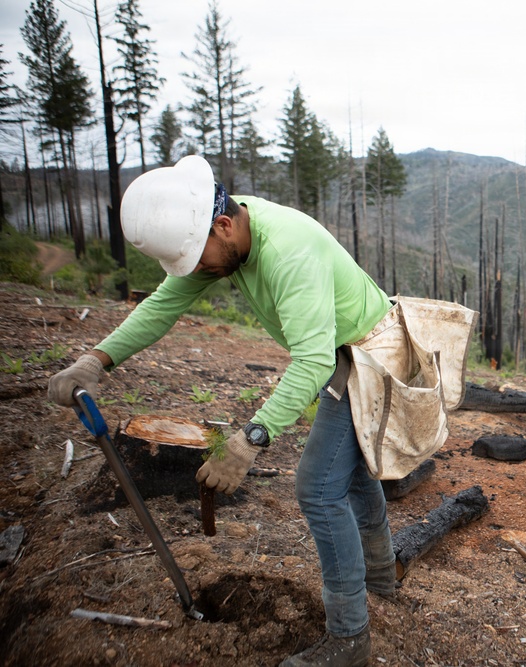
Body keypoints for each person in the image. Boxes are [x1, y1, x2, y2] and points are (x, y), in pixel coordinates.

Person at [48, 154, 397, 667]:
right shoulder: (225, 234)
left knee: (318, 489)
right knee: (348, 474)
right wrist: (95, 359)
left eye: (199, 261)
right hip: (342, 354)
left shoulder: (288, 253)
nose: (198, 272)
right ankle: (382, 576)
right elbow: (163, 305)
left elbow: (313, 360)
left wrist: (251, 440)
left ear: (224, 225)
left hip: (369, 358)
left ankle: (350, 640)